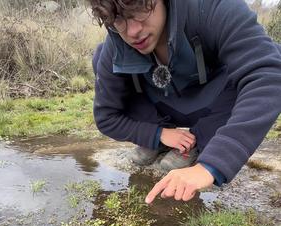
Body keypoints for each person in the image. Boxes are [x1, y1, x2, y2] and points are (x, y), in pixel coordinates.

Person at [88, 0, 281, 203]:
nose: (133, 31)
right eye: (119, 18)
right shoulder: (115, 46)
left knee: (273, 56)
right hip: (160, 106)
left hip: (213, 102)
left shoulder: (214, 7)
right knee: (103, 58)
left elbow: (268, 75)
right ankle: (157, 142)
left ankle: (198, 142)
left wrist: (211, 165)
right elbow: (106, 117)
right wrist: (157, 134)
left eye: (140, 10)